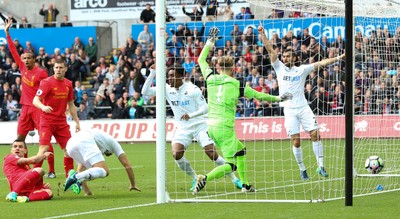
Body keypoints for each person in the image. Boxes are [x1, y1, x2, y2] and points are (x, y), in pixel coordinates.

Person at [192, 27, 292, 194]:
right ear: (233, 69)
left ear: (217, 67)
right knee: (231, 164)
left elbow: (201, 60)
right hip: (225, 127)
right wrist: (278, 99)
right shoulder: (237, 85)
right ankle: (205, 178)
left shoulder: (210, 78)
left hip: (211, 126)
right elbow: (259, 95)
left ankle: (245, 185)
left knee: (241, 151)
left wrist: (210, 41)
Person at [258, 23, 345, 180]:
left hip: (303, 107)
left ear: (294, 58)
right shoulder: (278, 67)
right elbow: (270, 50)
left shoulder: (302, 69)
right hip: (289, 110)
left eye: (288, 56)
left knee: (315, 134)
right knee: (296, 141)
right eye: (284, 56)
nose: (285, 58)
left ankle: (321, 166)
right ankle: (302, 169)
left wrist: (338, 58)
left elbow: (321, 63)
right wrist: (262, 34)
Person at [142, 64, 243, 191]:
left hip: (200, 126)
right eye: (169, 76)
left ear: (181, 76)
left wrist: (191, 115)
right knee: (176, 154)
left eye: (173, 76)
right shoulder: (166, 89)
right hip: (183, 128)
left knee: (211, 153)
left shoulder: (192, 89)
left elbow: (206, 108)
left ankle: (235, 179)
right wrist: (152, 74)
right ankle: (196, 178)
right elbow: (144, 92)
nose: (169, 79)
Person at [4, 19, 56, 178]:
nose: (25, 60)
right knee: (19, 138)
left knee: (44, 140)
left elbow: (48, 90)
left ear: (34, 59)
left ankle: (51, 170)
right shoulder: (21, 66)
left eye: (28, 58)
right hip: (25, 108)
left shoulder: (41, 73)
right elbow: (12, 50)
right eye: (24, 58)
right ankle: (20, 165)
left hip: (38, 108)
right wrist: (7, 33)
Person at [33, 58, 80, 178]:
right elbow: (35, 100)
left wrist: (77, 122)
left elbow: (71, 104)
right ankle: (32, 176)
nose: (58, 70)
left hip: (61, 122)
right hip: (47, 121)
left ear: (65, 69)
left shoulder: (68, 83)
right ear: (53, 69)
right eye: (56, 68)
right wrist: (43, 107)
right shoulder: (46, 82)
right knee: (44, 148)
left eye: (60, 68)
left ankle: (69, 179)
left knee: (69, 150)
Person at [63, 128, 141, 195]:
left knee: (93, 172)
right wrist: (133, 184)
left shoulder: (99, 142)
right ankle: (75, 177)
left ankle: (75, 179)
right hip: (85, 139)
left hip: (70, 145)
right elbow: (127, 166)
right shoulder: (113, 143)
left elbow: (80, 170)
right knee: (104, 171)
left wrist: (88, 192)